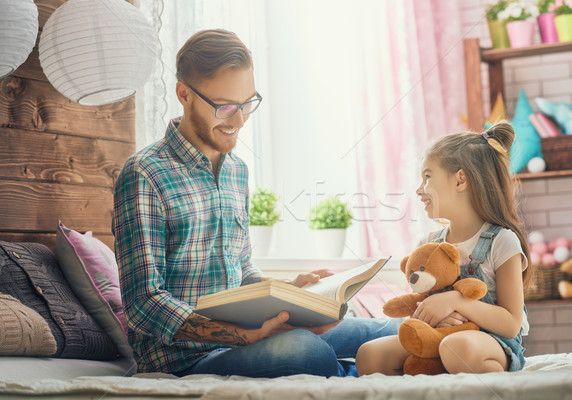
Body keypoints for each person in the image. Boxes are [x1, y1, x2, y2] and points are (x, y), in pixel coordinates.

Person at [112, 29, 401, 378]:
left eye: (247, 103)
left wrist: (289, 294)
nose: (238, 120)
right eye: (225, 107)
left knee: (389, 329)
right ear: (183, 94)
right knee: (305, 349)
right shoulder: (144, 173)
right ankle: (359, 376)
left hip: (249, 338)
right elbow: (144, 303)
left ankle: (443, 355)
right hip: (184, 359)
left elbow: (242, 272)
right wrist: (243, 336)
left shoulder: (236, 170)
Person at [355, 122, 532, 375]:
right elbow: (420, 311)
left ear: (460, 180)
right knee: (370, 354)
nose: (419, 189)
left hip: (491, 343)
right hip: (438, 337)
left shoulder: (502, 240)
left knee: (456, 347)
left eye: (427, 177)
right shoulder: (427, 244)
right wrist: (435, 316)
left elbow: (511, 324)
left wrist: (455, 301)